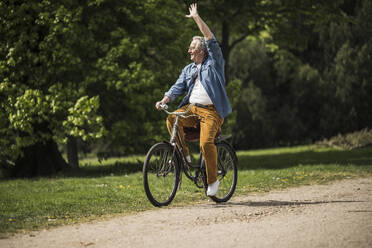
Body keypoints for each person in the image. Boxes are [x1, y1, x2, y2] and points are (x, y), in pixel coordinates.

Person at [155, 3, 231, 196]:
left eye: (192, 48)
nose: (189, 51)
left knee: (206, 144)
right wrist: (164, 100)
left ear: (202, 50)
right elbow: (177, 86)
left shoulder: (214, 62)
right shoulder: (188, 69)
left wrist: (196, 17)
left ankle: (213, 181)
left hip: (211, 111)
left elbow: (209, 37)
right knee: (172, 119)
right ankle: (185, 154)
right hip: (191, 109)